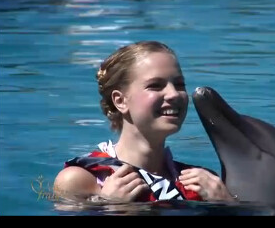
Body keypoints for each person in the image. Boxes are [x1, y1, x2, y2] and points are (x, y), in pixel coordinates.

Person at [53, 41, 236, 203]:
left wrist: (226, 204)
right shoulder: (79, 181)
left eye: (179, 84)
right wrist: (108, 205)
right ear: (120, 101)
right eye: (155, 85)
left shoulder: (201, 183)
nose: (174, 94)